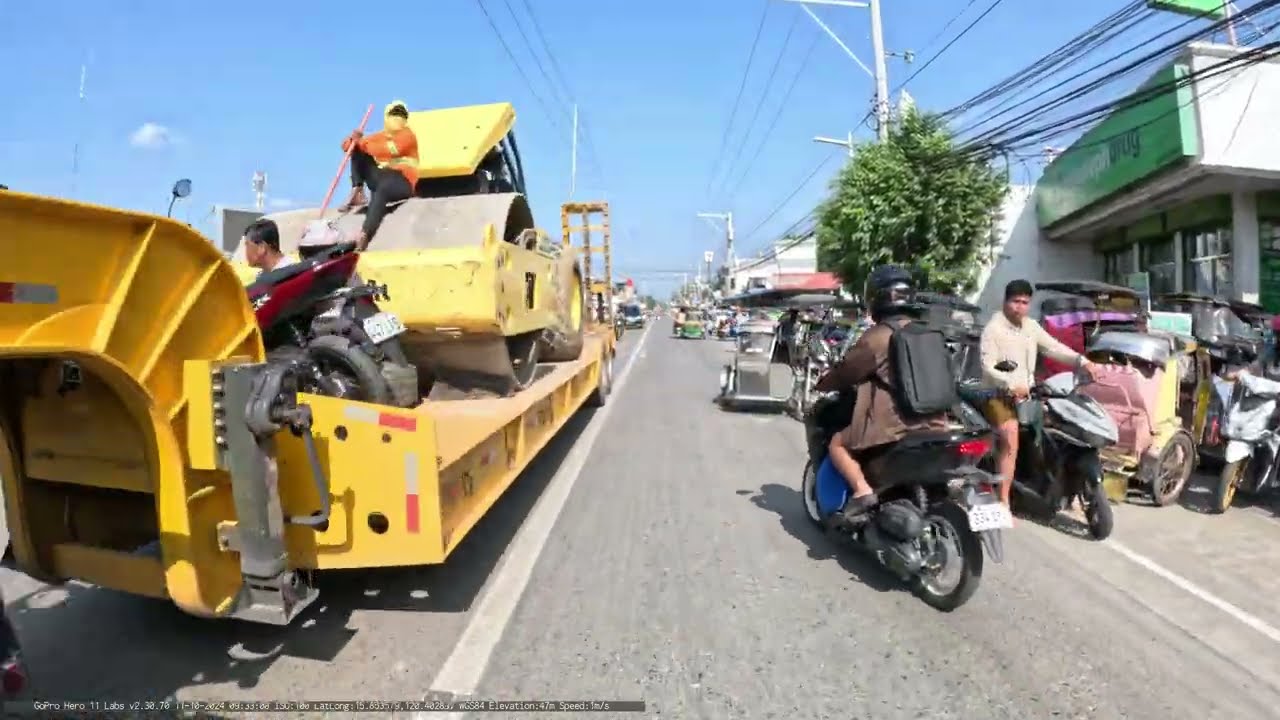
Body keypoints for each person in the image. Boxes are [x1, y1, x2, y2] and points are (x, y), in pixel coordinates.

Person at [814, 265, 950, 523]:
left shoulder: (877, 336)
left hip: (891, 425)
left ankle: (862, 491)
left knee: (837, 443)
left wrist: (822, 384)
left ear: (876, 298)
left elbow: (847, 372)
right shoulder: (930, 333)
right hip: (936, 422)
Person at [979, 279, 1099, 509]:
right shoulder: (992, 330)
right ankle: (1002, 499)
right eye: (1016, 301)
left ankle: (1055, 484)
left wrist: (1081, 361)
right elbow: (988, 367)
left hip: (1027, 394)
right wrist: (1009, 384)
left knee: (1055, 429)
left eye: (1025, 302)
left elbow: (1053, 347)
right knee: (1010, 438)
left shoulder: (1031, 327)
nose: (1020, 307)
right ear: (1005, 302)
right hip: (997, 394)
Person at [338, 100, 420, 251]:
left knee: (381, 189)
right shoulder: (381, 135)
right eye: (394, 114)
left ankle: (365, 235)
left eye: (401, 114)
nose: (397, 118)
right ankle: (357, 191)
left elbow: (390, 149)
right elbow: (346, 147)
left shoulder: (408, 135)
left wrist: (362, 143)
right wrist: (353, 139)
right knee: (357, 149)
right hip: (383, 176)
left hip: (403, 181)